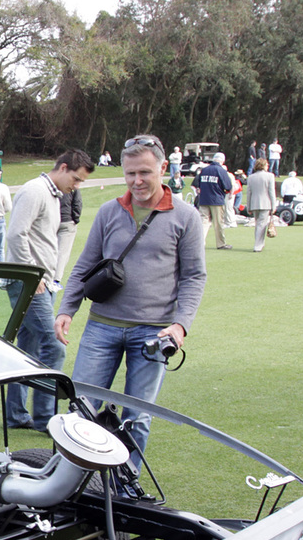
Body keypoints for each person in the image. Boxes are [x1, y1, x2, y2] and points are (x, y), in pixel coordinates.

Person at [56, 135, 206, 472]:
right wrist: (67, 309)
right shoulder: (110, 211)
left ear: (163, 169)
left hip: (153, 334)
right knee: (81, 410)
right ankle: (68, 482)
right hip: (101, 328)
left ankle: (127, 487)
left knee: (137, 417)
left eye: (145, 173)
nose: (137, 181)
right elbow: (84, 265)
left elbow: (195, 276)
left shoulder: (185, 217)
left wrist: (181, 325)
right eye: (130, 174)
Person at [4, 149, 94, 432]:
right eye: (76, 179)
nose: (76, 186)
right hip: (28, 282)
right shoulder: (34, 191)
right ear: (63, 167)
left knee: (27, 351)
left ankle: (16, 416)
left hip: (43, 281)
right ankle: (45, 419)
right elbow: (16, 234)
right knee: (53, 346)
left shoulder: (54, 195)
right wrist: (32, 273)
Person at [194, 151, 233, 250]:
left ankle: (200, 242)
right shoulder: (221, 171)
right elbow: (228, 186)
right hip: (217, 200)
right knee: (218, 223)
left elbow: (197, 183)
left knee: (204, 221)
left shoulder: (204, 170)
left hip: (204, 199)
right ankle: (221, 243)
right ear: (222, 161)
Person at [244, 158, 278, 252]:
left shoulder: (251, 177)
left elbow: (249, 193)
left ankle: (260, 243)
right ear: (264, 166)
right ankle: (258, 245)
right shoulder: (270, 176)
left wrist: (249, 206)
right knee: (261, 225)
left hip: (254, 203)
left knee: (258, 224)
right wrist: (273, 205)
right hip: (265, 203)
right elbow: (271, 192)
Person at [55, 183, 83, 284]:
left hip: (53, 221)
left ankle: (47, 276)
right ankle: (55, 279)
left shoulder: (53, 183)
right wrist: (75, 219)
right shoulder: (73, 185)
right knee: (62, 253)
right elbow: (77, 203)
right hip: (67, 221)